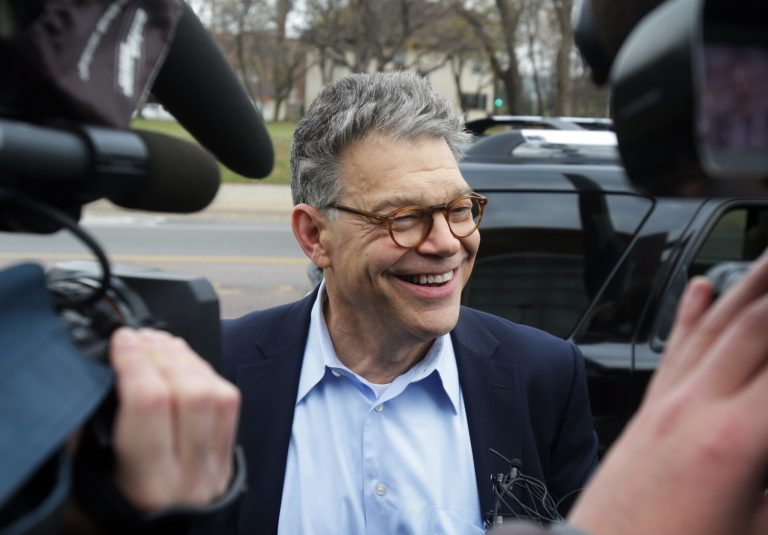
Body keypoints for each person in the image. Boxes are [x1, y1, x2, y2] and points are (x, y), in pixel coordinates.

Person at [221, 71, 599, 533]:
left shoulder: (546, 377)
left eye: (459, 209)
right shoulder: (217, 371)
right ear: (315, 235)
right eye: (404, 217)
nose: (446, 244)